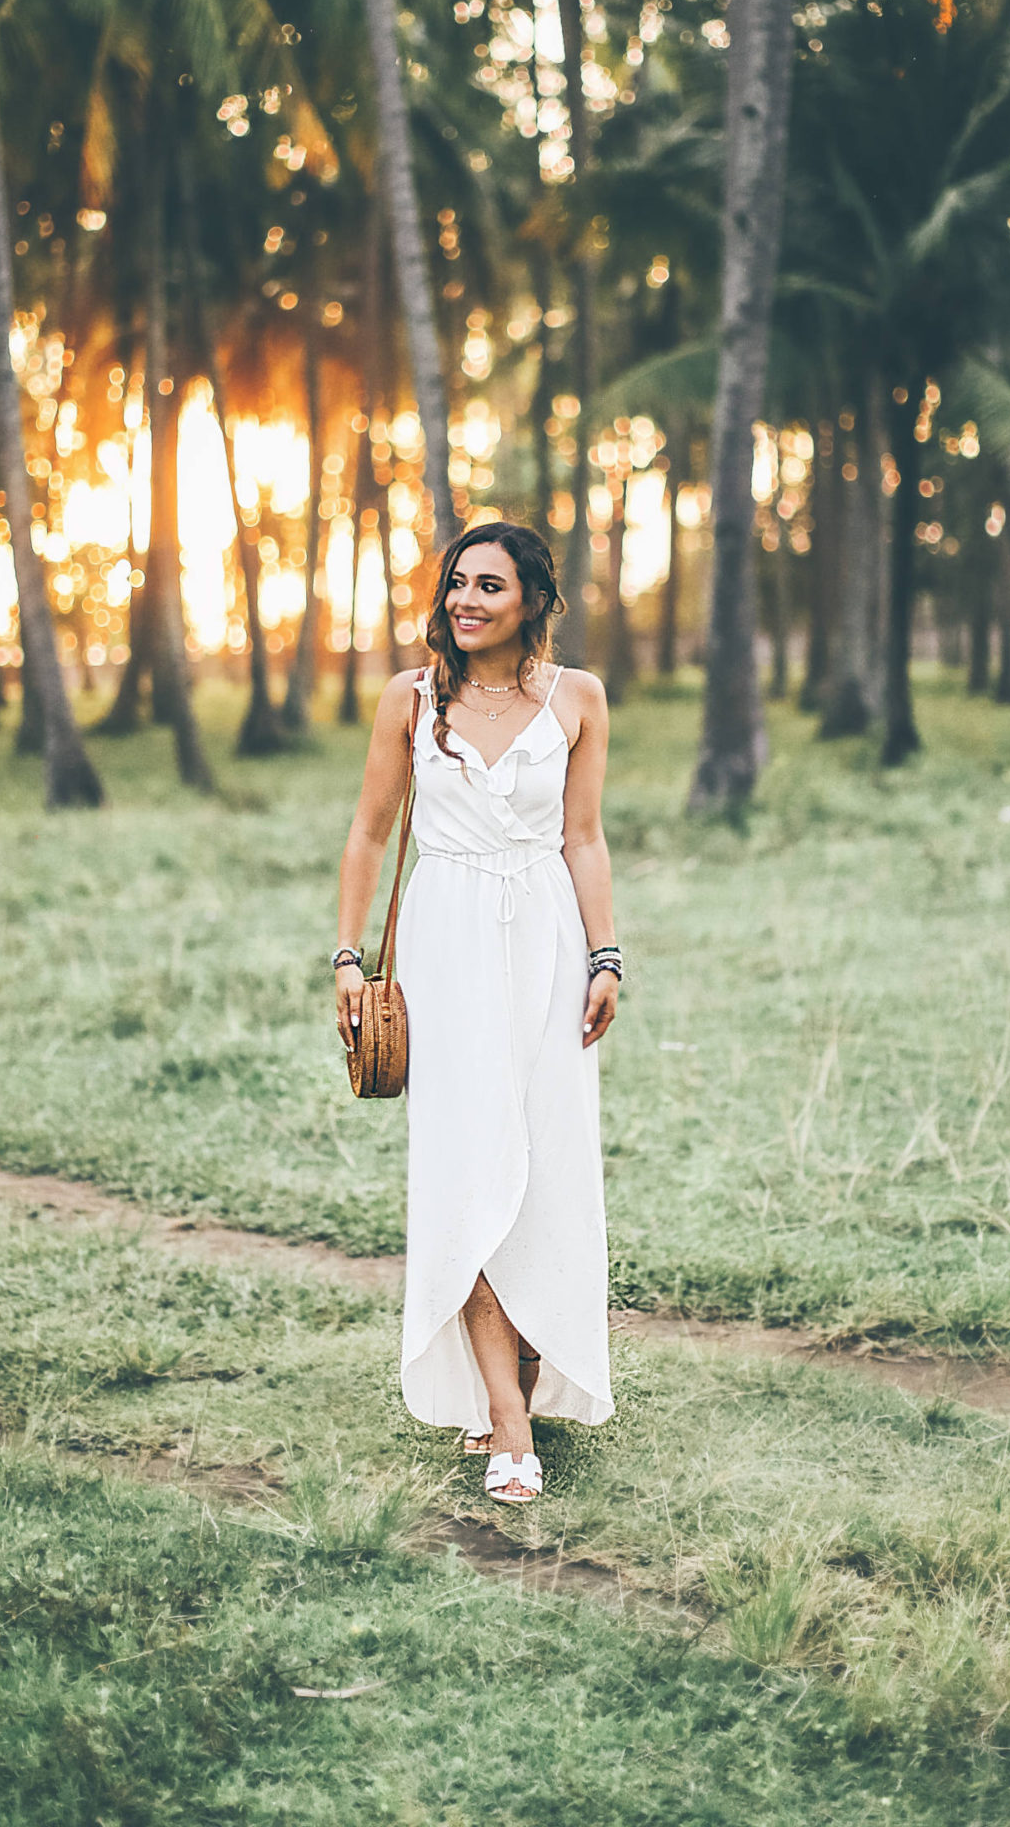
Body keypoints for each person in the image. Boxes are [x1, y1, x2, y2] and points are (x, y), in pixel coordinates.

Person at [333, 521, 621, 1505]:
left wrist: (605, 956)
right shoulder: (410, 700)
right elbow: (369, 834)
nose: (464, 601)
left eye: (488, 586)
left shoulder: (578, 698)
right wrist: (346, 957)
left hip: (545, 941)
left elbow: (583, 839)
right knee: (467, 1167)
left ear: (532, 601)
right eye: (456, 583)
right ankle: (504, 1419)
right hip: (445, 945)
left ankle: (531, 1377)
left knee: (546, 1162)